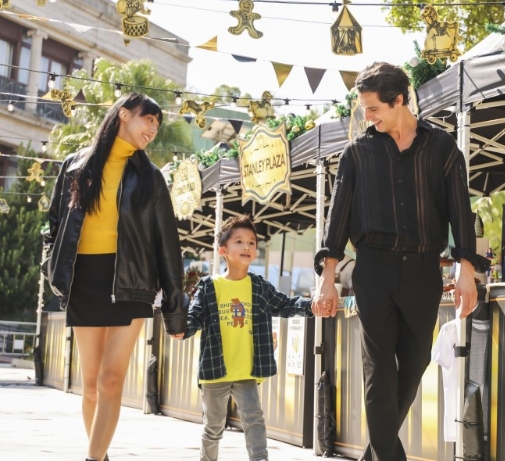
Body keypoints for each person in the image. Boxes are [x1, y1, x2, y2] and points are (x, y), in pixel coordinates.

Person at [312, 62, 489, 461]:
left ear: (399, 100)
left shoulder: (442, 148)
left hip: (424, 271)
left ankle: (374, 455)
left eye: (373, 108)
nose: (367, 117)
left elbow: (460, 212)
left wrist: (466, 272)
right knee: (378, 371)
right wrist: (327, 279)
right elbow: (337, 219)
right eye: (364, 109)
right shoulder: (357, 153)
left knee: (413, 365)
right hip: (372, 271)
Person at [42, 93, 187, 461]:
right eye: (148, 119)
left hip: (132, 281)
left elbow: (167, 244)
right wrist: (51, 267)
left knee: (110, 379)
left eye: (158, 124)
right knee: (90, 386)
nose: (153, 129)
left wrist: (175, 307)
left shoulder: (151, 178)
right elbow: (53, 224)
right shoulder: (76, 166)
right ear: (123, 114)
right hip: (84, 279)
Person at [173, 215, 322, 461]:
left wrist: (311, 306)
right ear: (223, 250)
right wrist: (182, 330)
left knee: (254, 419)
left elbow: (284, 304)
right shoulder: (209, 286)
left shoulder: (259, 285)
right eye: (239, 241)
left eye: (252, 242)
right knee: (213, 427)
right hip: (214, 371)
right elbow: (195, 318)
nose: (247, 246)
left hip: (247, 371)